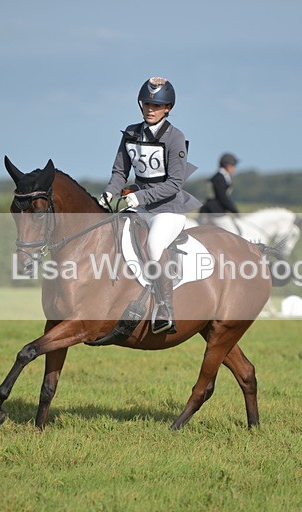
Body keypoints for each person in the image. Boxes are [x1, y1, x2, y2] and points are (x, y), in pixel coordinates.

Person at [99, 76, 201, 334]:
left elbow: (175, 183)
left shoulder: (175, 137)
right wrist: (110, 193)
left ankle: (165, 308)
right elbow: (119, 172)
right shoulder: (131, 133)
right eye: (146, 104)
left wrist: (140, 197)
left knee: (154, 245)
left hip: (167, 209)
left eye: (157, 106)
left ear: (168, 109)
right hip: (137, 206)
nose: (150, 109)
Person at [199, 153, 239, 224]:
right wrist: (234, 210)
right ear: (228, 166)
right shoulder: (219, 178)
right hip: (214, 211)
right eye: (233, 166)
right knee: (231, 231)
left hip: (215, 210)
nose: (234, 169)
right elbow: (223, 198)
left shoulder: (221, 177)